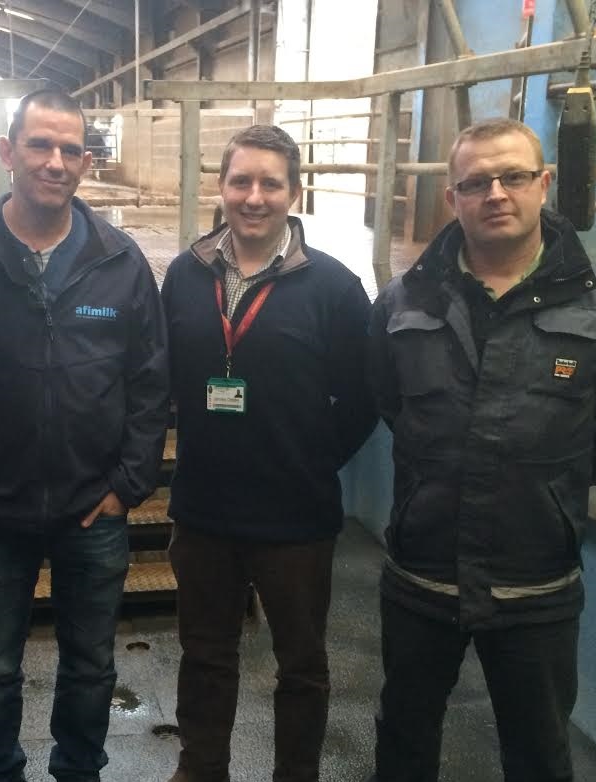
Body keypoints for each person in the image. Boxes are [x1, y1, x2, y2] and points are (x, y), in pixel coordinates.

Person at [366, 117, 596, 782]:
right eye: (474, 182)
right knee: (402, 739)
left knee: (537, 752)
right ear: (452, 199)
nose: (494, 193)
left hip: (534, 581)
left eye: (511, 176)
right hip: (423, 574)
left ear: (544, 184)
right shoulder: (401, 301)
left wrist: (553, 483)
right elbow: (388, 401)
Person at [0, 89, 169, 782]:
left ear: (86, 160)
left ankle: (78, 770)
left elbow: (149, 380)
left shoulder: (117, 258)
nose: (54, 162)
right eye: (39, 145)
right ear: (7, 152)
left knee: (90, 664)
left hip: (92, 508)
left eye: (69, 149)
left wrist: (126, 486)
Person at [161, 124, 377, 782]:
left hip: (294, 519)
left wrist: (307, 463)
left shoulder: (334, 289)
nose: (253, 197)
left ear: (293, 191)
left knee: (301, 666)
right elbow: (167, 380)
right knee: (204, 655)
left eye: (269, 183)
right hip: (202, 514)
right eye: (240, 181)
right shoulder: (185, 274)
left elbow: (362, 399)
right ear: (220, 187)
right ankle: (201, 770)